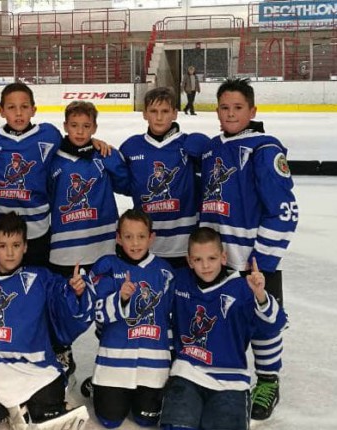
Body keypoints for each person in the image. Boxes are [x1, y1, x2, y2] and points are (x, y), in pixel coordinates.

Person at [199, 77, 298, 420]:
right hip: (217, 260)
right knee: (222, 317)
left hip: (252, 261)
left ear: (252, 110)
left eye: (238, 107)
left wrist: (263, 260)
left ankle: (268, 380)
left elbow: (284, 212)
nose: (230, 113)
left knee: (264, 323)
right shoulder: (211, 148)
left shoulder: (264, 149)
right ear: (216, 111)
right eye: (224, 107)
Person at [0, 212, 92, 429]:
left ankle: (23, 408)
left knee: (49, 401)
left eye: (16, 245)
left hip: (34, 369)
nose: (10, 252)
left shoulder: (40, 278)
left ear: (25, 246)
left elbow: (62, 302)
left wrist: (74, 292)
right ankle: (20, 409)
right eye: (3, 246)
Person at [0, 82, 110, 269]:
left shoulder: (48, 135)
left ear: (33, 110)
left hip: (36, 228)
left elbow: (73, 142)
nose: (18, 113)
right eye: (11, 107)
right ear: (1, 111)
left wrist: (92, 142)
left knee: (38, 281)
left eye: (24, 107)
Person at [160, 227, 287, 430]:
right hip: (186, 375)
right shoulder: (179, 281)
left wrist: (261, 295)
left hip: (231, 381)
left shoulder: (242, 289)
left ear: (224, 257)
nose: (205, 265)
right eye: (198, 259)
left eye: (212, 258)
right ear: (189, 261)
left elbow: (274, 325)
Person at [85, 209, 174, 428]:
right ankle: (98, 385)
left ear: (151, 238)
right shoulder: (106, 266)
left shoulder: (165, 272)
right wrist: (120, 299)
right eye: (128, 236)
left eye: (141, 236)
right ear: (118, 237)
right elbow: (95, 313)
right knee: (110, 420)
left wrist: (171, 361)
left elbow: (171, 318)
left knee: (146, 420)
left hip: (153, 365)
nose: (135, 243)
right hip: (115, 360)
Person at [119, 86, 209, 269]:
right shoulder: (130, 147)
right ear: (144, 114)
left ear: (175, 113)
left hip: (185, 245)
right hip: (144, 245)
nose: (159, 117)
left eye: (165, 111)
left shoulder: (188, 144)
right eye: (153, 111)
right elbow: (126, 186)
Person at [48, 100, 130, 277]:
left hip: (104, 246)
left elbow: (127, 186)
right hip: (64, 251)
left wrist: (114, 159)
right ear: (65, 126)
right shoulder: (53, 160)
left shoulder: (104, 155)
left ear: (94, 128)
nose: (80, 131)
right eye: (74, 125)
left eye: (86, 126)